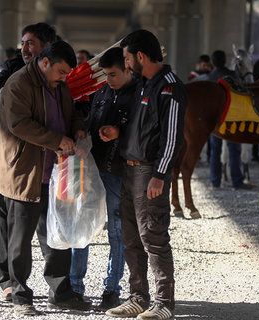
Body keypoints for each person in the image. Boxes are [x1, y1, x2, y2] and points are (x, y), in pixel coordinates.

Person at [0, 40, 91, 316]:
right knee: (20, 238)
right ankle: (20, 295)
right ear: (45, 62)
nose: (64, 78)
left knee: (57, 234)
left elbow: (71, 114)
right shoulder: (18, 84)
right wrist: (56, 139)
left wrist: (78, 129)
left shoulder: (59, 85)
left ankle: (60, 292)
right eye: (61, 71)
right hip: (24, 171)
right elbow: (18, 124)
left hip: (56, 171)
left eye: (67, 74)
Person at [99, 29, 187, 320]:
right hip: (129, 169)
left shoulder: (170, 87)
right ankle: (138, 297)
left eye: (126, 59)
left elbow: (172, 137)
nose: (125, 65)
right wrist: (118, 133)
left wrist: (160, 175)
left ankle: (164, 303)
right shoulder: (141, 85)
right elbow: (143, 127)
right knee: (131, 237)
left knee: (154, 236)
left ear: (140, 56)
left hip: (151, 173)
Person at [0, 22, 56, 302]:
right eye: (23, 43)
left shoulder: (60, 71)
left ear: (47, 47)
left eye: (31, 44)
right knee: (7, 223)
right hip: (10, 160)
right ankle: (9, 282)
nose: (25, 49)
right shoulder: (12, 68)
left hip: (48, 162)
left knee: (47, 224)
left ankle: (59, 285)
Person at [69, 47, 135, 311]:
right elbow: (89, 122)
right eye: (105, 75)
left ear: (128, 69)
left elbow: (150, 134)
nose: (108, 80)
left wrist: (120, 132)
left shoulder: (141, 95)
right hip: (92, 170)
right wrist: (84, 133)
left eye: (113, 75)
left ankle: (112, 288)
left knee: (117, 232)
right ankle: (75, 286)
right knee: (82, 226)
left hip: (120, 173)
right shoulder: (102, 92)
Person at [207, 50, 251, 190]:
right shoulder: (232, 75)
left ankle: (215, 181)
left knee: (215, 150)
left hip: (215, 119)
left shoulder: (209, 77)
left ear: (212, 62)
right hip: (231, 117)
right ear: (225, 61)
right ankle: (237, 181)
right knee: (234, 149)